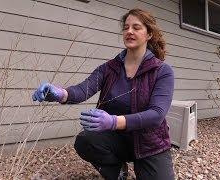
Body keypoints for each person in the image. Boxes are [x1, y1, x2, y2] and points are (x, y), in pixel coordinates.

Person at [32, 8, 175, 180]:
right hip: (117, 139)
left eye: (136, 27)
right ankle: (117, 171)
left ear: (149, 34)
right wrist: (59, 93)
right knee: (86, 140)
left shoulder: (161, 71)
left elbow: (156, 115)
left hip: (149, 144)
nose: (129, 31)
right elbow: (83, 89)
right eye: (126, 27)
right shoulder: (109, 68)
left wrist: (114, 121)